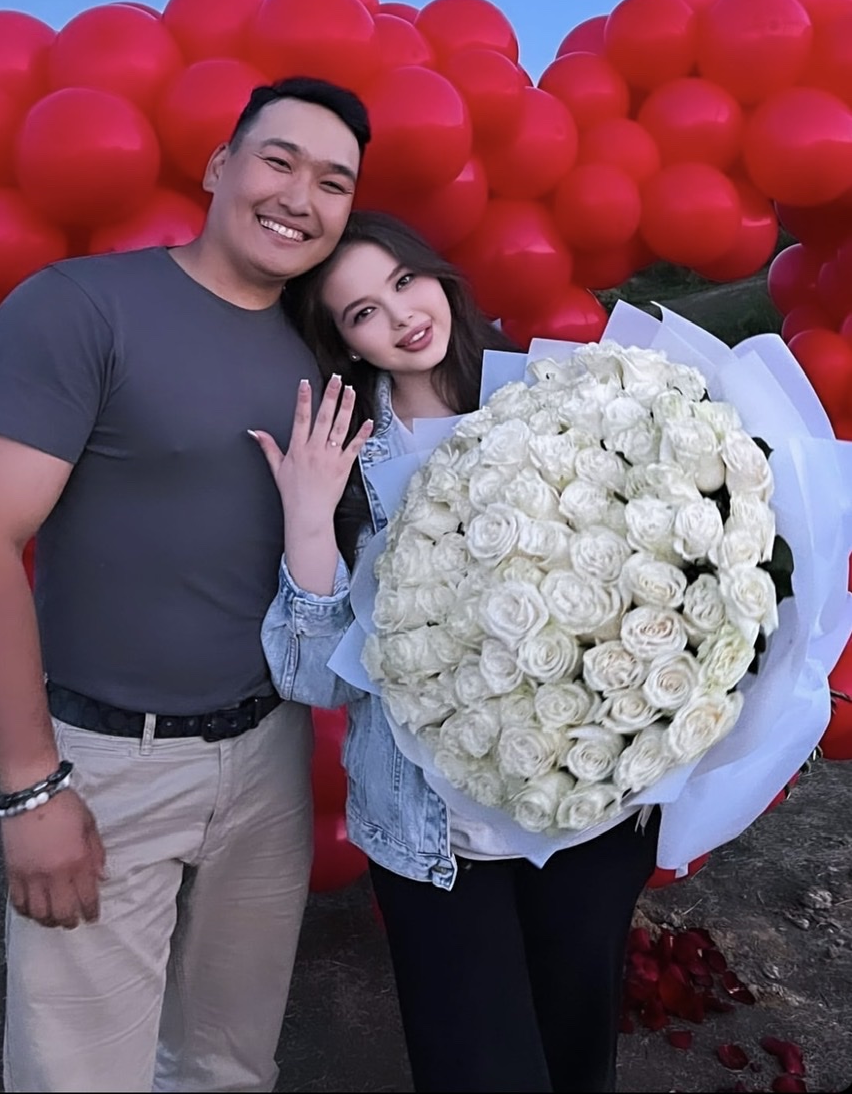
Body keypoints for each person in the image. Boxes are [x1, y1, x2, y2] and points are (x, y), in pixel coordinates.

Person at [0, 76, 371, 1094]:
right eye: (278, 161)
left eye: (333, 182)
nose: (300, 197)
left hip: (267, 755)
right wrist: (31, 785)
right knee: (79, 1074)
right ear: (220, 168)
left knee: (229, 1062)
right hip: (105, 760)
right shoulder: (81, 305)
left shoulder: (321, 354)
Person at [257, 210, 661, 1094]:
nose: (401, 316)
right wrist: (309, 516)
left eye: (404, 281)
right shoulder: (346, 457)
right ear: (346, 342)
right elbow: (310, 675)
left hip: (584, 814)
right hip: (436, 839)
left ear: (438, 276)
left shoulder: (558, 398)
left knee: (577, 1059)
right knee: (476, 1069)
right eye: (363, 312)